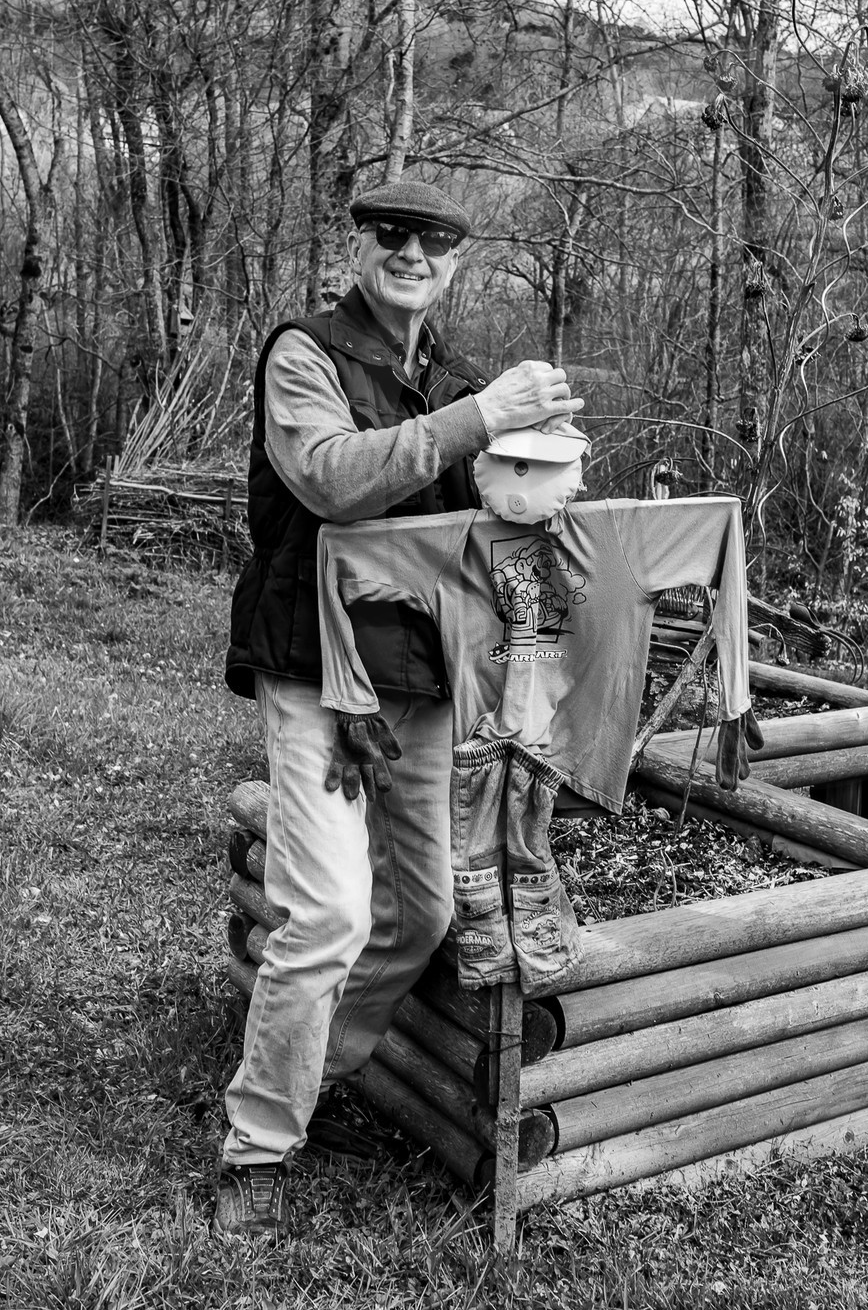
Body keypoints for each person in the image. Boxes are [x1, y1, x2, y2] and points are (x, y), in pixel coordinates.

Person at [214, 178, 582, 1241]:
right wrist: (482, 419)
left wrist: (539, 466)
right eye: (391, 236)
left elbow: (489, 517)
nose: (410, 254)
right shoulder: (306, 352)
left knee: (420, 913)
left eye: (432, 242)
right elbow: (330, 479)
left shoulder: (458, 374)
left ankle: (310, 1074)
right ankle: (256, 1142)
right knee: (325, 911)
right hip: (320, 668)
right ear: (361, 244)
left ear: (457, 261)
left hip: (424, 676)